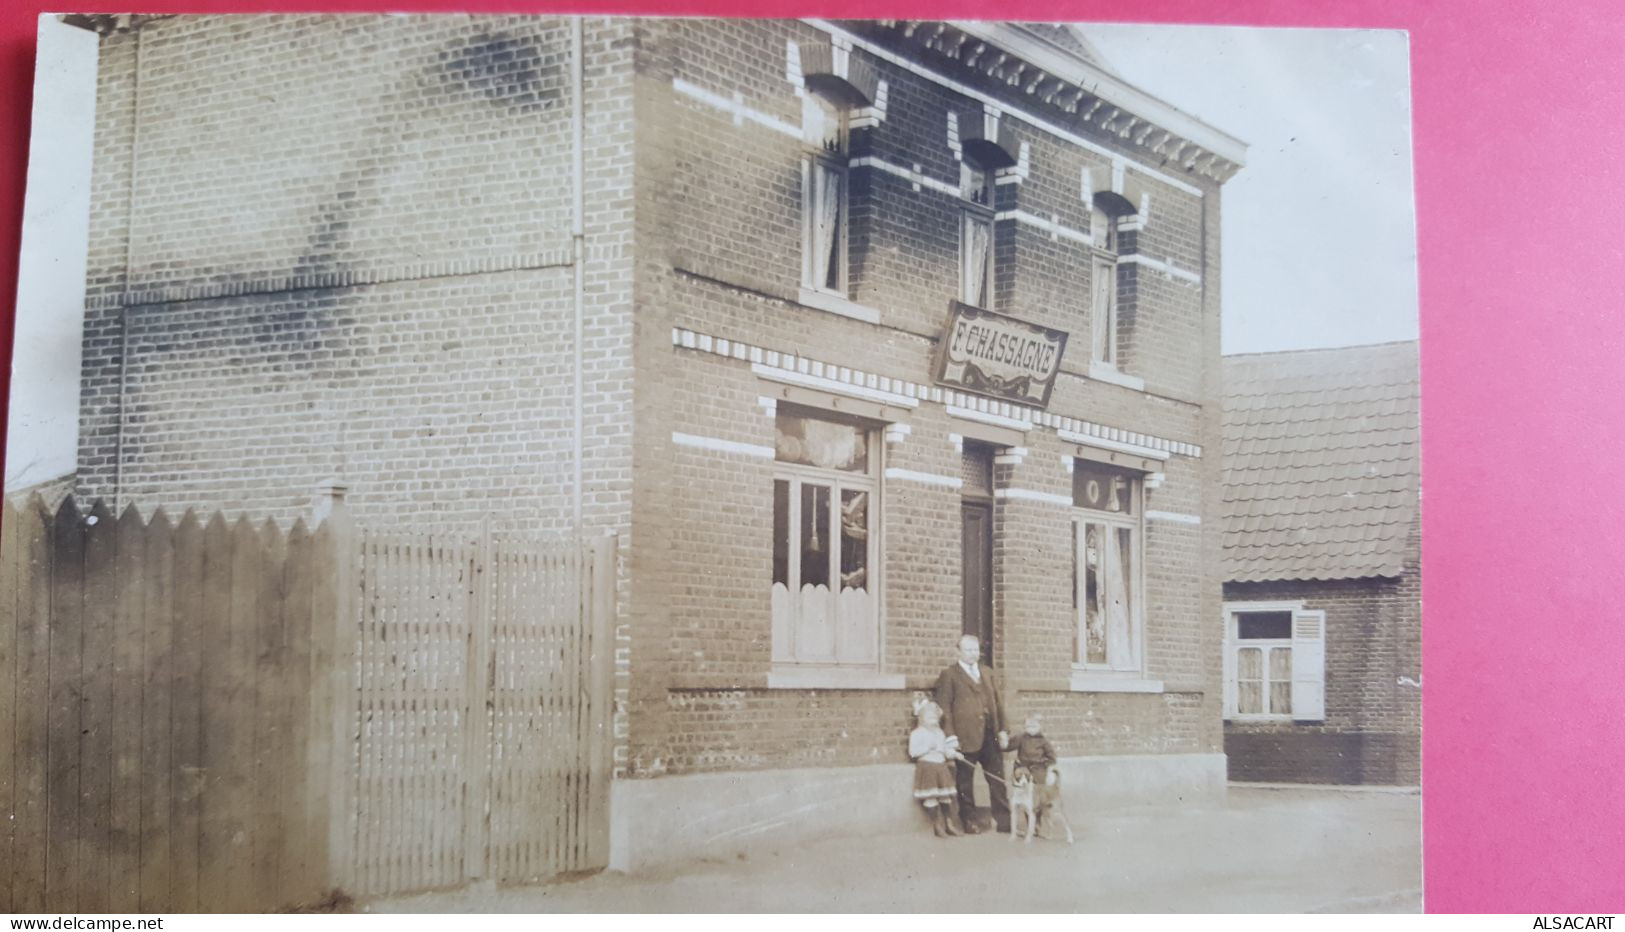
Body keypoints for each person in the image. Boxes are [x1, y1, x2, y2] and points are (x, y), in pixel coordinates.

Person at [933, 634, 1009, 833]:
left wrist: (1003, 729)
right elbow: (944, 707)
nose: (973, 654)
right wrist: (950, 736)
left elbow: (999, 704)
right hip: (964, 737)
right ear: (958, 651)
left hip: (990, 734)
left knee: (997, 778)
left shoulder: (987, 673)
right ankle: (970, 821)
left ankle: (1004, 820)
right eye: (968, 650)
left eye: (975, 650)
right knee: (965, 781)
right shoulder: (949, 675)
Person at [908, 699, 964, 837]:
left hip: (941, 767)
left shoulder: (939, 733)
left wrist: (954, 754)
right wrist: (927, 747)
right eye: (929, 715)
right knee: (931, 797)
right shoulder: (917, 733)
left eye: (934, 715)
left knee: (945, 797)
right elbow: (913, 752)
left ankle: (949, 824)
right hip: (928, 767)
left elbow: (944, 750)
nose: (933, 718)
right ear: (921, 718)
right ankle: (937, 825)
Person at [1006, 713, 1060, 812]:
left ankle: (1038, 811)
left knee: (1038, 790)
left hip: (1038, 768)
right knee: (1022, 789)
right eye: (1028, 726)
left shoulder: (1043, 741)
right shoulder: (1021, 738)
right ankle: (1026, 810)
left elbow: (1052, 757)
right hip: (1024, 767)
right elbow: (1009, 746)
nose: (1031, 729)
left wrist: (1043, 763)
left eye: (1034, 726)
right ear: (1025, 727)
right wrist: (1004, 743)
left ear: (1039, 727)